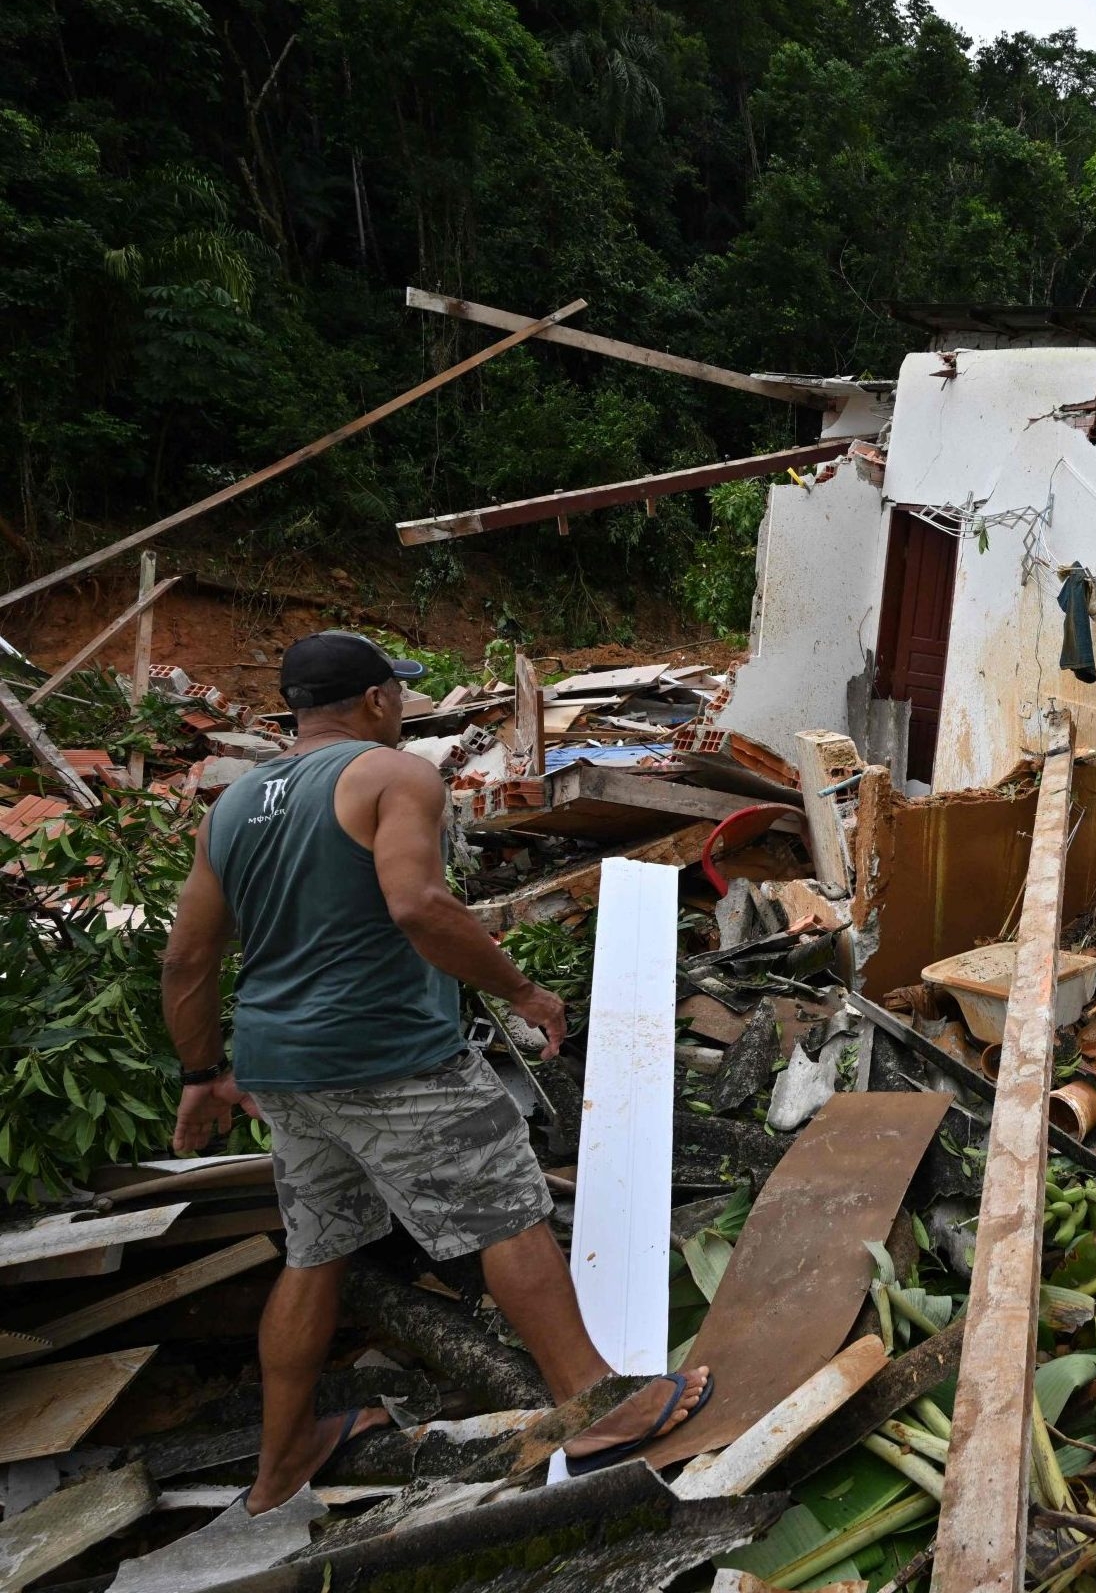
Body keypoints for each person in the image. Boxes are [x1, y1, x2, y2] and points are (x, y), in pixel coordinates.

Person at [162, 631, 710, 1514]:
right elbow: (417, 901)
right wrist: (525, 991)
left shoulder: (230, 807)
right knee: (509, 1214)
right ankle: (597, 1410)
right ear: (377, 700)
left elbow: (187, 959)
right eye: (399, 695)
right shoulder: (393, 775)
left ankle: (280, 1463)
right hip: (389, 1056)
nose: (404, 709)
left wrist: (201, 1075)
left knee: (317, 1251)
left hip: (282, 1069)